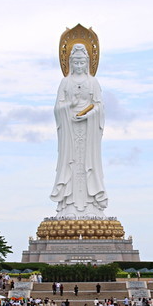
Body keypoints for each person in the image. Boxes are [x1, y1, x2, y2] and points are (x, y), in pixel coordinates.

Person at [50, 39, 107, 216]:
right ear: (70, 63)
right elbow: (57, 108)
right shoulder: (65, 82)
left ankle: (92, 206)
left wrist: (89, 114)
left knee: (89, 164)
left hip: (88, 130)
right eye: (76, 62)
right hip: (70, 130)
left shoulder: (93, 82)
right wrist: (69, 105)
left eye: (82, 62)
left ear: (88, 63)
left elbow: (99, 106)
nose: (79, 65)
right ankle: (68, 206)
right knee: (70, 164)